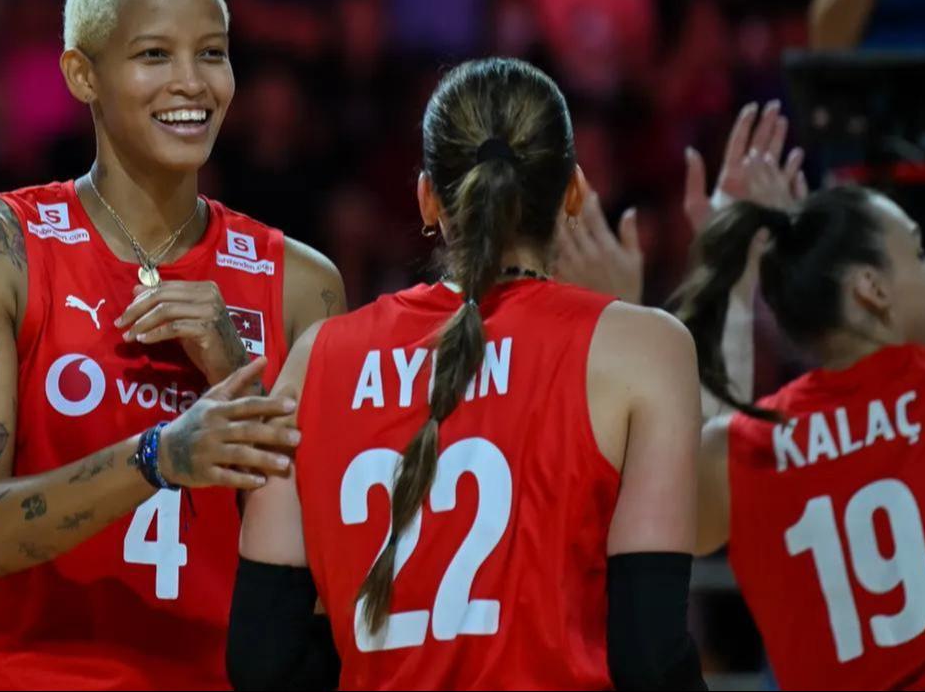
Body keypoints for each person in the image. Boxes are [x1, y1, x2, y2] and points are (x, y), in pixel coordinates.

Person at [0, 0, 345, 690]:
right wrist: (159, 457)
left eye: (212, 52)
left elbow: (336, 565)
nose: (191, 82)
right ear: (83, 74)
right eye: (153, 54)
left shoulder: (300, 283)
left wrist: (237, 369)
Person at [226, 57, 706, 691]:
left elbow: (263, 661)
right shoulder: (644, 349)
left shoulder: (316, 359)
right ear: (574, 192)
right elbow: (651, 656)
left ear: (428, 196)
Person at [677, 183, 925, 690]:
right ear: (871, 289)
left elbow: (687, 501)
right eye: (919, 254)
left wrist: (745, 284)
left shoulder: (737, 450)